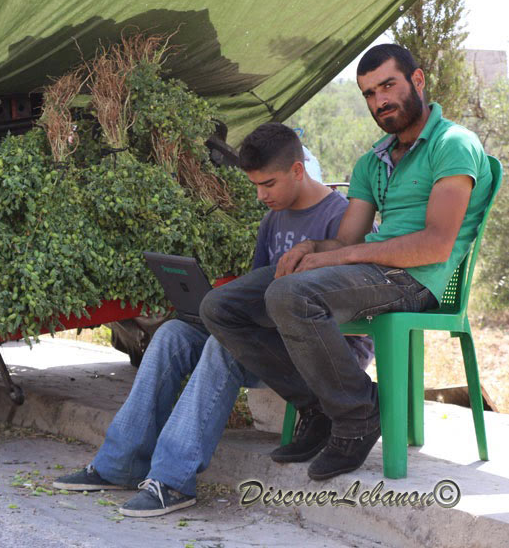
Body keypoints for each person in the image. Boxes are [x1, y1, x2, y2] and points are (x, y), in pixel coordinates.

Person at [200, 44, 494, 481]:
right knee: (221, 306)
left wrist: (341, 255)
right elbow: (345, 238)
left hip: (417, 280)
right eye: (370, 94)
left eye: (388, 86)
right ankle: (318, 405)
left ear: (417, 81)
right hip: (371, 272)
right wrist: (314, 248)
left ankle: (358, 415)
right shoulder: (372, 161)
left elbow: (435, 245)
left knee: (290, 295)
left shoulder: (454, 145)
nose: (380, 101)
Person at [53, 123, 373, 517]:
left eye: (268, 184)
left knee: (225, 347)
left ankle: (173, 481)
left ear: (297, 170)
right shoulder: (272, 220)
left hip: (329, 351)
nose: (261, 195)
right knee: (172, 333)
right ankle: (120, 464)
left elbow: (358, 307)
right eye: (255, 185)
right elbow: (258, 298)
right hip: (272, 341)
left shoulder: (342, 218)